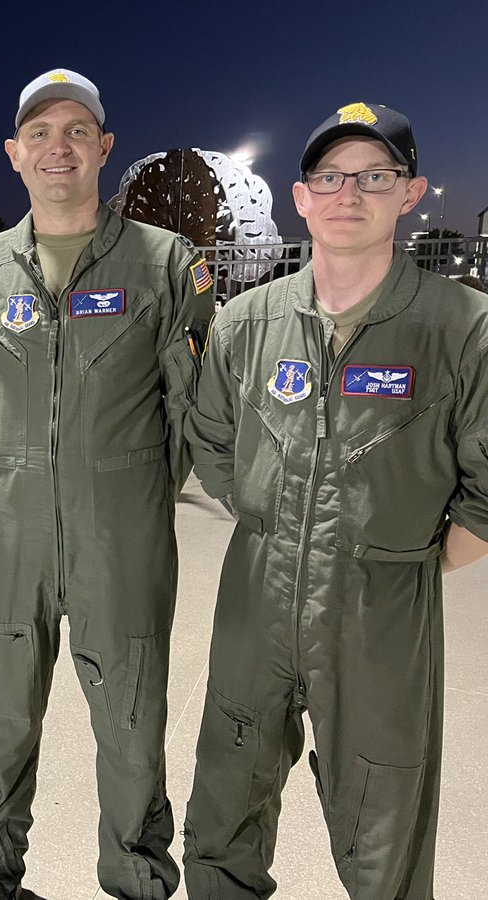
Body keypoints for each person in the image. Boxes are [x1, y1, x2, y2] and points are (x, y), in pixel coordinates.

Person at [181, 103, 488, 898]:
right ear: (302, 196)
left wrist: (403, 557)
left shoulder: (460, 327)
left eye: (374, 176)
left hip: (379, 619)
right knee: (223, 817)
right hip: (256, 603)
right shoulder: (246, 324)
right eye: (330, 177)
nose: (349, 193)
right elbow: (212, 441)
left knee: (383, 836)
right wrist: (275, 521)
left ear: (409, 192)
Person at [0, 69, 215, 900]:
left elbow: (189, 411)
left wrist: (129, 493)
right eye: (39, 133)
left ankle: (136, 880)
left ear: (104, 147)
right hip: (8, 540)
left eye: (75, 131)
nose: (56, 148)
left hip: (120, 541)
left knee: (131, 727)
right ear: (13, 153)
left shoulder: (166, 264)